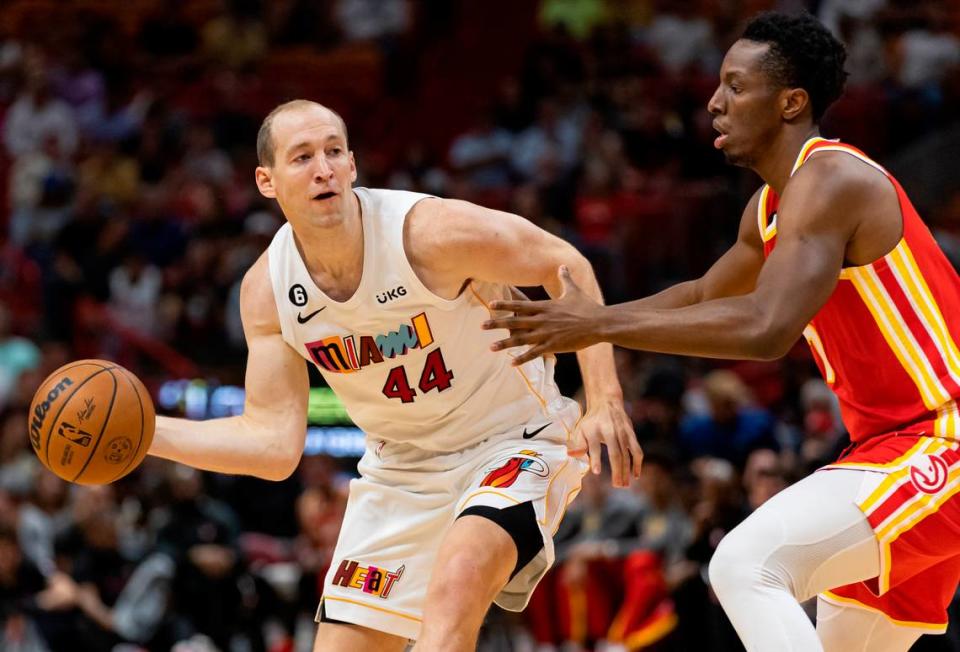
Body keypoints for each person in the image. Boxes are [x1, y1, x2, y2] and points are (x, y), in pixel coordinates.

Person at [483, 11, 960, 652]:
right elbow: (702, 295)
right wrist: (588, 326)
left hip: (940, 440)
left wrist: (596, 323)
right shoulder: (771, 207)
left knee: (744, 564)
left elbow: (766, 327)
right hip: (887, 450)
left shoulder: (832, 179)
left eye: (735, 86)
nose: (713, 102)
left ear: (791, 102)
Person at [146, 98, 641, 651]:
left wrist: (605, 399)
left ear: (353, 165)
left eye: (334, 152)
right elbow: (271, 442)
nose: (324, 168)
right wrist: (146, 435)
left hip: (511, 441)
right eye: (303, 157)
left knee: (456, 587)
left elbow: (564, 263)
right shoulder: (267, 289)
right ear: (267, 181)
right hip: (399, 470)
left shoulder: (426, 232)